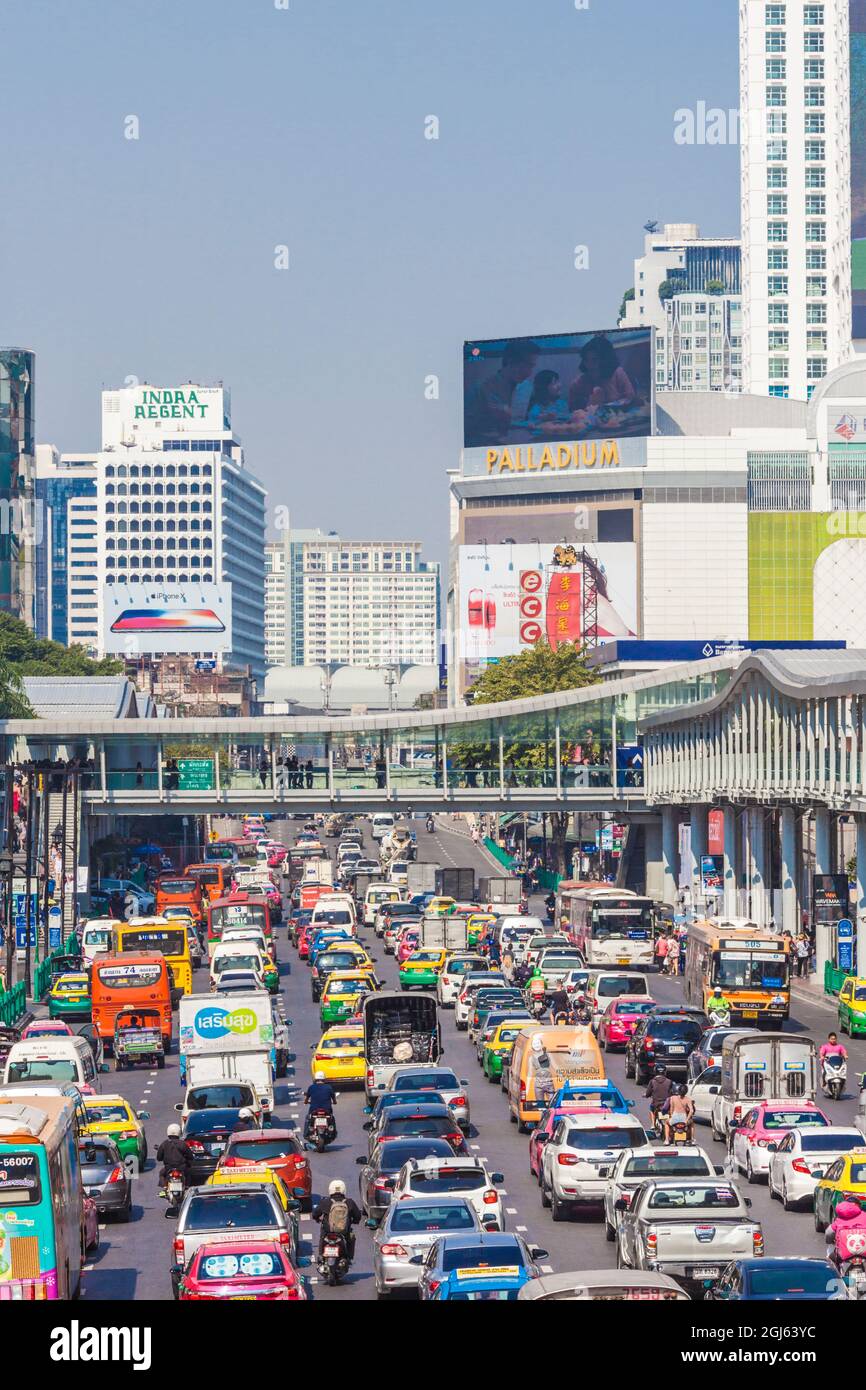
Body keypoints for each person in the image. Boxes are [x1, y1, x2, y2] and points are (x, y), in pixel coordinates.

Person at [463, 338, 540, 448]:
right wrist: (487, 419)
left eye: (532, 366)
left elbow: (524, 420)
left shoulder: (527, 387)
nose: (530, 372)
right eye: (527, 365)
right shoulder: (482, 388)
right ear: (510, 361)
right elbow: (465, 431)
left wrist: (537, 419)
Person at [312, 1179, 363, 1262]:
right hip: (344, 1232)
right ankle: (349, 1258)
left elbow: (315, 1214)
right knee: (351, 1238)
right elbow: (357, 1215)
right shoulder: (349, 1202)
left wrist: (317, 1219)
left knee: (322, 1237)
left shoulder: (325, 1202)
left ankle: (321, 1256)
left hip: (328, 1231)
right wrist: (355, 1221)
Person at [826, 1198, 866, 1277]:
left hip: (843, 1255)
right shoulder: (864, 1216)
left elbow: (828, 1233)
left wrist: (829, 1241)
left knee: (830, 1261)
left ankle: (835, 1278)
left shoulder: (839, 1220)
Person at [156, 1123, 193, 1189]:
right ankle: (187, 1187)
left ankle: (164, 1187)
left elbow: (159, 1158)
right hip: (182, 1168)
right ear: (179, 1132)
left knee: (161, 1174)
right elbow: (190, 1156)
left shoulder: (164, 1144)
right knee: (189, 1173)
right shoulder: (182, 1143)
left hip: (168, 1168)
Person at [303, 1071, 337, 1141]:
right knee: (332, 1119)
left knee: (308, 1119)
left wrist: (306, 1102)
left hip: (314, 1110)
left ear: (315, 1079)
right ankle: (333, 1132)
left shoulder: (311, 1087)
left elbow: (306, 1099)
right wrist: (334, 1102)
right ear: (324, 1079)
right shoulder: (329, 1087)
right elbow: (334, 1099)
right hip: (327, 1110)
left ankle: (306, 1134)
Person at [644, 1065, 674, 1130]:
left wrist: (646, 1095)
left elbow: (648, 1093)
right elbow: (672, 1092)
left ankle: (653, 1124)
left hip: (656, 1104)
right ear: (665, 1072)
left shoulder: (652, 1081)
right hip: (667, 1103)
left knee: (651, 1109)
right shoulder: (669, 1081)